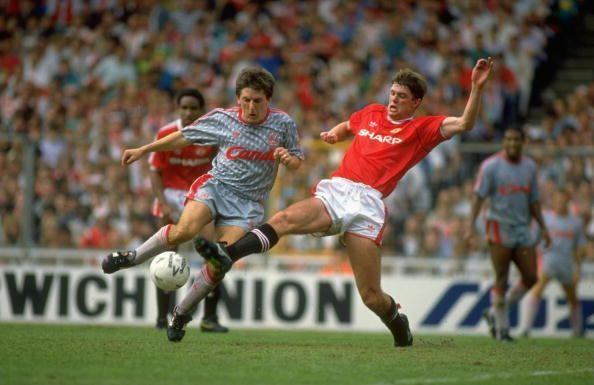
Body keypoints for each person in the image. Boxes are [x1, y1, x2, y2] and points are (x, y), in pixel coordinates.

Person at [194, 57, 495, 347]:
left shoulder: (422, 129)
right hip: (338, 190)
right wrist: (334, 133)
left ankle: (397, 322)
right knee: (283, 219)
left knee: (371, 296)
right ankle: (227, 255)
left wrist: (477, 87)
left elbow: (465, 124)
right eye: (392, 93)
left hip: (368, 205)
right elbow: (350, 125)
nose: (394, 100)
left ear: (415, 102)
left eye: (402, 96)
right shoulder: (372, 112)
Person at [101, 67, 304, 341]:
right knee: (184, 231)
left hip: (247, 204)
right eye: (245, 100)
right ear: (238, 98)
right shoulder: (223, 119)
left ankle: (181, 313)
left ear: (268, 100)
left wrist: (287, 160)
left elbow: (296, 161)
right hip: (216, 186)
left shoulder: (283, 124)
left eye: (257, 101)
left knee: (221, 262)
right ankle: (132, 257)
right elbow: (185, 136)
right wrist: (143, 149)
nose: (251, 107)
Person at [149, 88, 228, 333]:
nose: (188, 112)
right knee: (165, 258)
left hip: (200, 197)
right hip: (171, 196)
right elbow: (155, 172)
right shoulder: (166, 133)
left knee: (213, 255)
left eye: (193, 108)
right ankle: (162, 319)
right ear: (178, 109)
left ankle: (209, 318)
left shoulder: (212, 135)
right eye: (184, 108)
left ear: (201, 110)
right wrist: (162, 203)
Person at [466, 127, 552, 341]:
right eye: (508, 139)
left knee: (531, 277)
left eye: (516, 140)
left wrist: (543, 227)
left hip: (523, 228)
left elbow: (533, 200)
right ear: (503, 142)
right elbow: (478, 197)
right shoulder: (491, 166)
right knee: (501, 278)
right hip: (499, 225)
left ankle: (494, 313)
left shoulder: (530, 167)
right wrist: (469, 227)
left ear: (523, 142)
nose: (512, 143)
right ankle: (502, 331)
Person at [522, 188, 586, 337]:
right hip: (548, 258)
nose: (560, 202)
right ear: (553, 201)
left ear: (567, 201)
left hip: (566, 262)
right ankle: (526, 328)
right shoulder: (545, 218)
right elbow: (533, 239)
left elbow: (578, 248)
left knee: (572, 296)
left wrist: (578, 269)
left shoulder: (575, 222)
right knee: (537, 289)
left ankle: (577, 331)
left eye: (563, 200)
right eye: (557, 199)